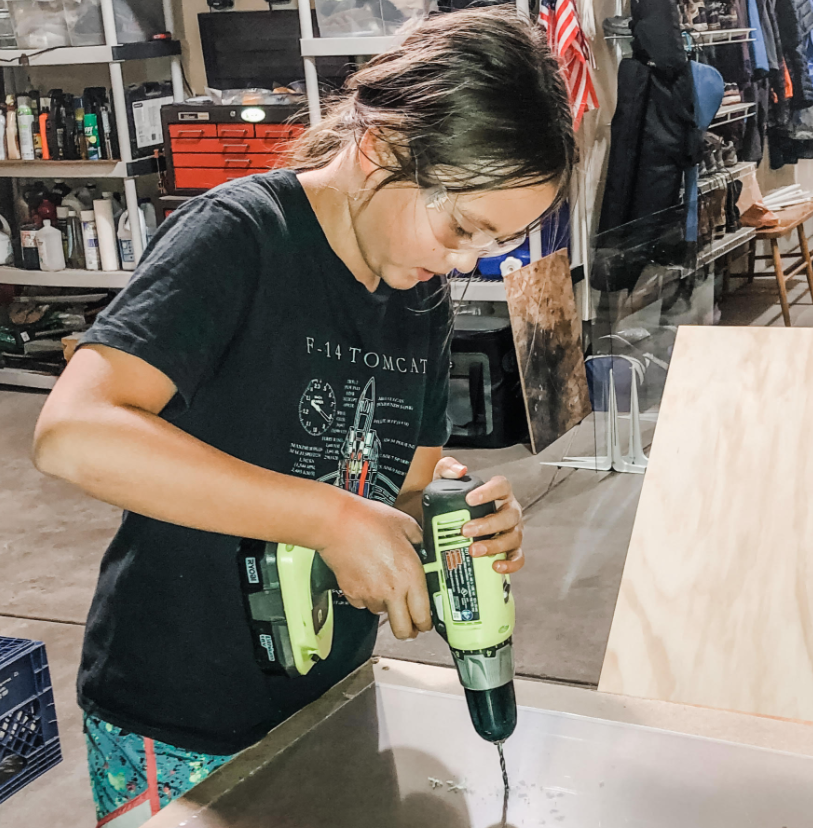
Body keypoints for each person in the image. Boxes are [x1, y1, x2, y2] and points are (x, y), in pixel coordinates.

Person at [33, 6, 575, 825]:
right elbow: (72, 433)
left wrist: (454, 524)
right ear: (383, 148)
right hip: (185, 712)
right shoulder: (240, 238)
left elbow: (400, 492)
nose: (465, 262)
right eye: (463, 226)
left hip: (328, 692)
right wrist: (324, 517)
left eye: (492, 244)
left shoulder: (418, 296)